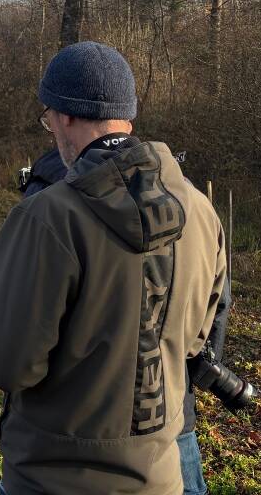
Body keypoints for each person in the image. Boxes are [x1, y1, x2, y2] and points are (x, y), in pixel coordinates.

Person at [0, 41, 228, 495]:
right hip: (159, 472)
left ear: (66, 114)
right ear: (125, 116)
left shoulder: (46, 217)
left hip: (51, 477)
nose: (49, 128)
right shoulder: (200, 211)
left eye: (47, 116)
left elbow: (9, 365)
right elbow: (196, 338)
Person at [18, 147, 234, 495]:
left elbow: (14, 360)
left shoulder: (50, 201)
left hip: (70, 442)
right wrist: (189, 368)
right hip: (169, 415)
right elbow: (215, 308)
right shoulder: (192, 203)